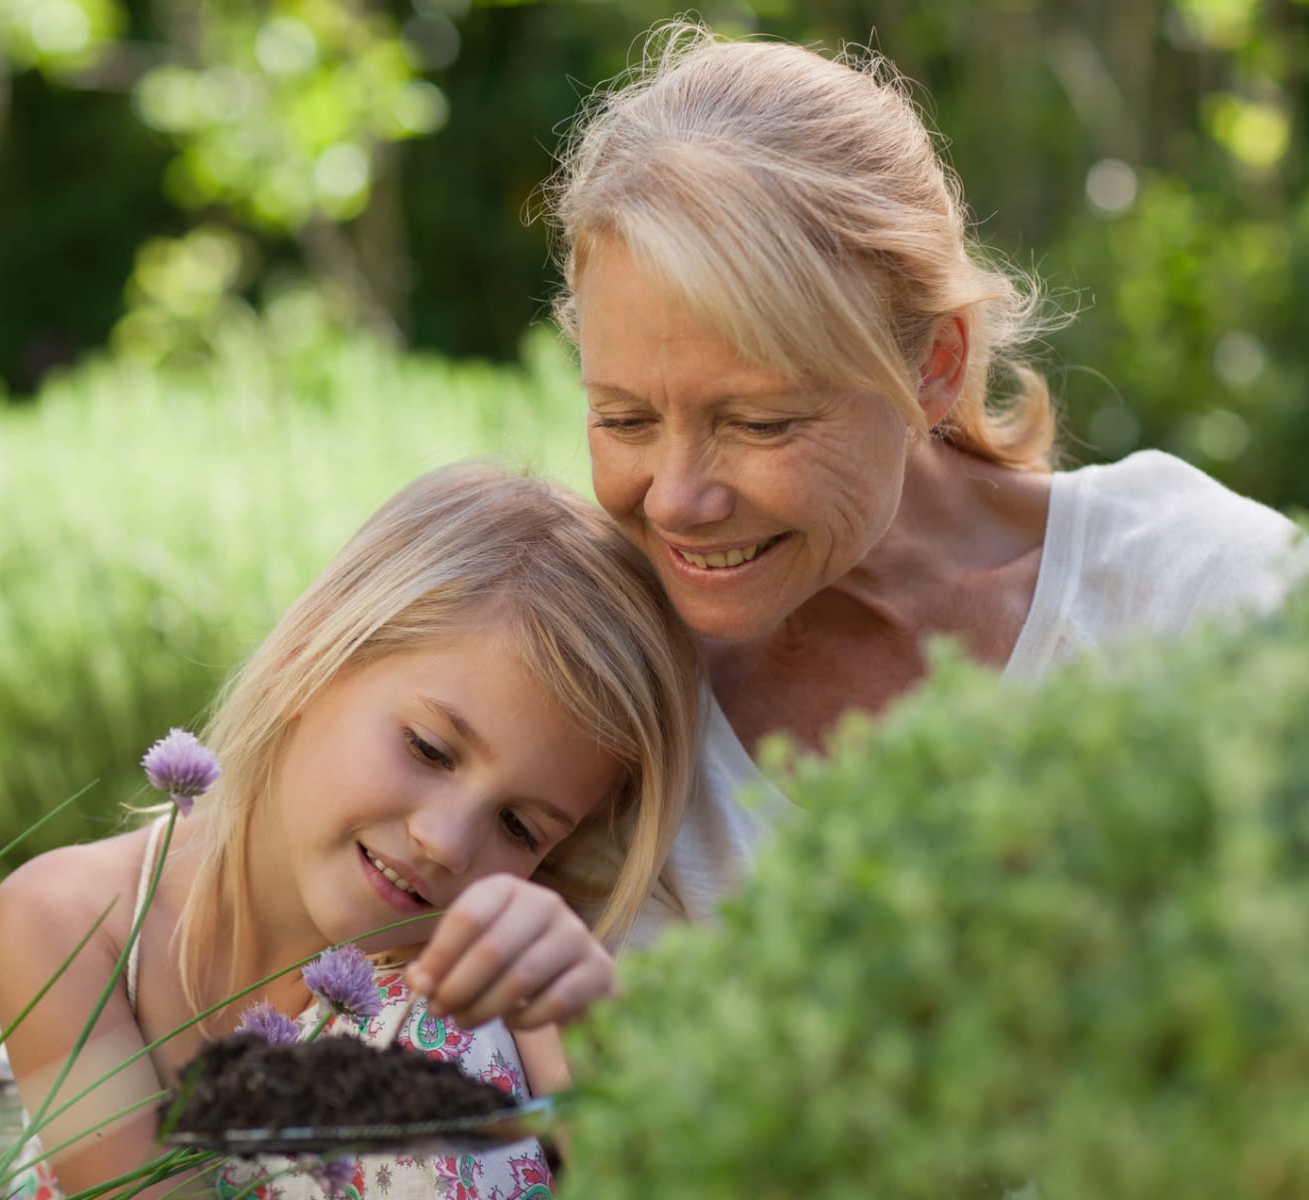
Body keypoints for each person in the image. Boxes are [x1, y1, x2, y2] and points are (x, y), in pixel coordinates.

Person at [541, 22, 1309, 943]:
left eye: (759, 422)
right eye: (624, 419)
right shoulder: (587, 714)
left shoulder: (1198, 594)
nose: (675, 499)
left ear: (934, 366)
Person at [0, 462, 701, 1197]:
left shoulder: (483, 983)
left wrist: (583, 1039)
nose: (447, 842)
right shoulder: (73, 923)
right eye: (428, 747)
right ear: (307, 657)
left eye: (519, 827)